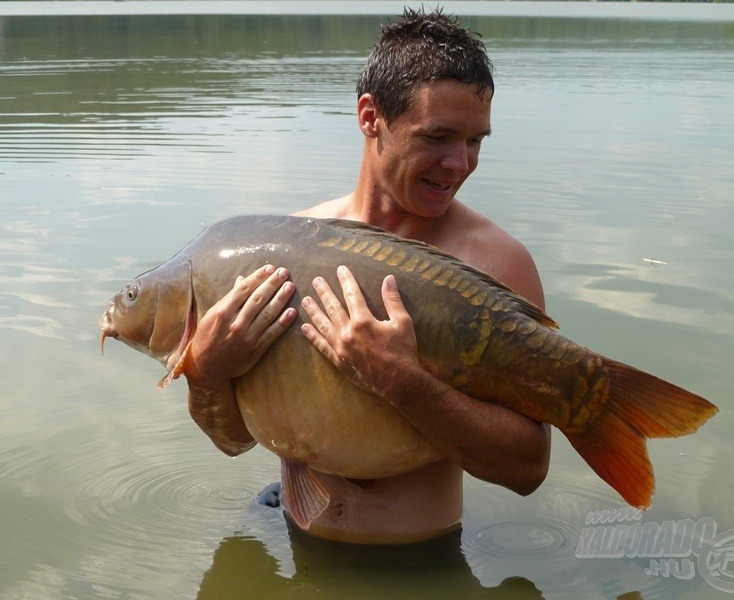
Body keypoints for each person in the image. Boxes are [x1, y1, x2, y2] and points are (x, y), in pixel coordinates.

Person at [183, 7, 551, 545]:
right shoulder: (289, 247)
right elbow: (233, 441)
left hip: (421, 562)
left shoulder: (495, 265)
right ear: (370, 116)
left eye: (476, 141)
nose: (460, 163)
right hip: (293, 535)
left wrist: (404, 383)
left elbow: (528, 469)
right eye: (438, 136)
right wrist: (206, 374)